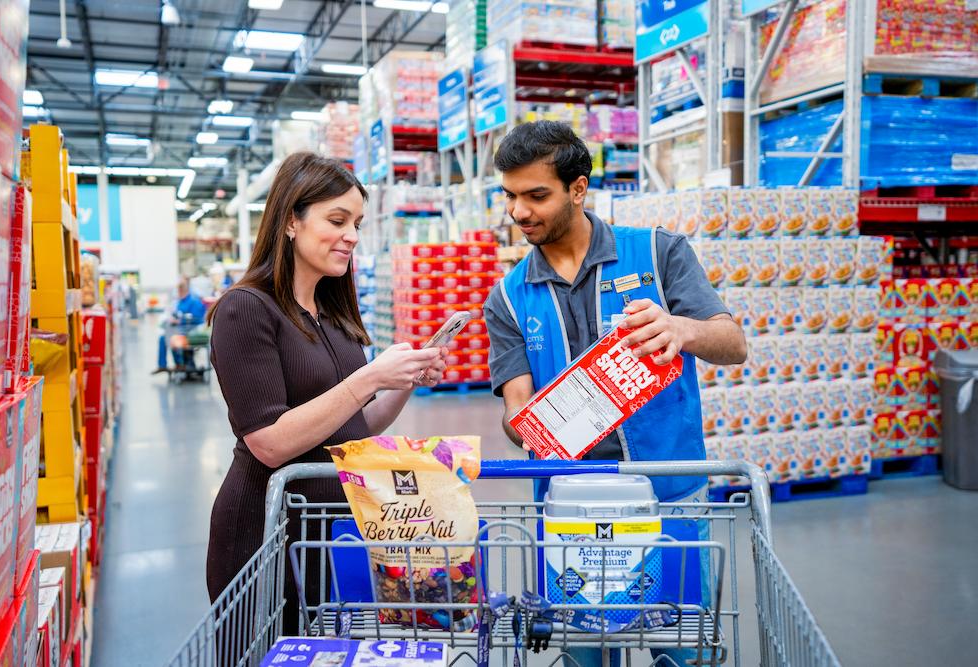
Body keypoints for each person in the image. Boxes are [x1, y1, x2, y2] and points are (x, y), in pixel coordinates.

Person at [483, 121, 748, 666]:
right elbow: (515, 416)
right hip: (571, 510)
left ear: (578, 188)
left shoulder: (659, 253)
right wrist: (535, 422)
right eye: (510, 195)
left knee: (685, 651)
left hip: (670, 497)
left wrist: (682, 330)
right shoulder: (507, 298)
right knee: (587, 655)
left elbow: (732, 343)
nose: (519, 212)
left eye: (537, 195)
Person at [204, 152, 447, 637]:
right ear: (291, 220)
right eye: (337, 220)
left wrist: (404, 383)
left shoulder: (333, 315)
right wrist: (370, 377)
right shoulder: (245, 311)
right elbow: (268, 443)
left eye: (356, 222)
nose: (352, 236)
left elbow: (357, 428)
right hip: (266, 534)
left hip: (332, 535)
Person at [152, 276, 207, 373]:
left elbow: (198, 319)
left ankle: (180, 364)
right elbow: (178, 312)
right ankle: (164, 365)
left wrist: (179, 321)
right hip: (180, 329)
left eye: (179, 291)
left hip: (190, 330)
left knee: (170, 337)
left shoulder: (194, 302)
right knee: (163, 337)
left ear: (182, 290)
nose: (178, 293)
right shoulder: (181, 301)